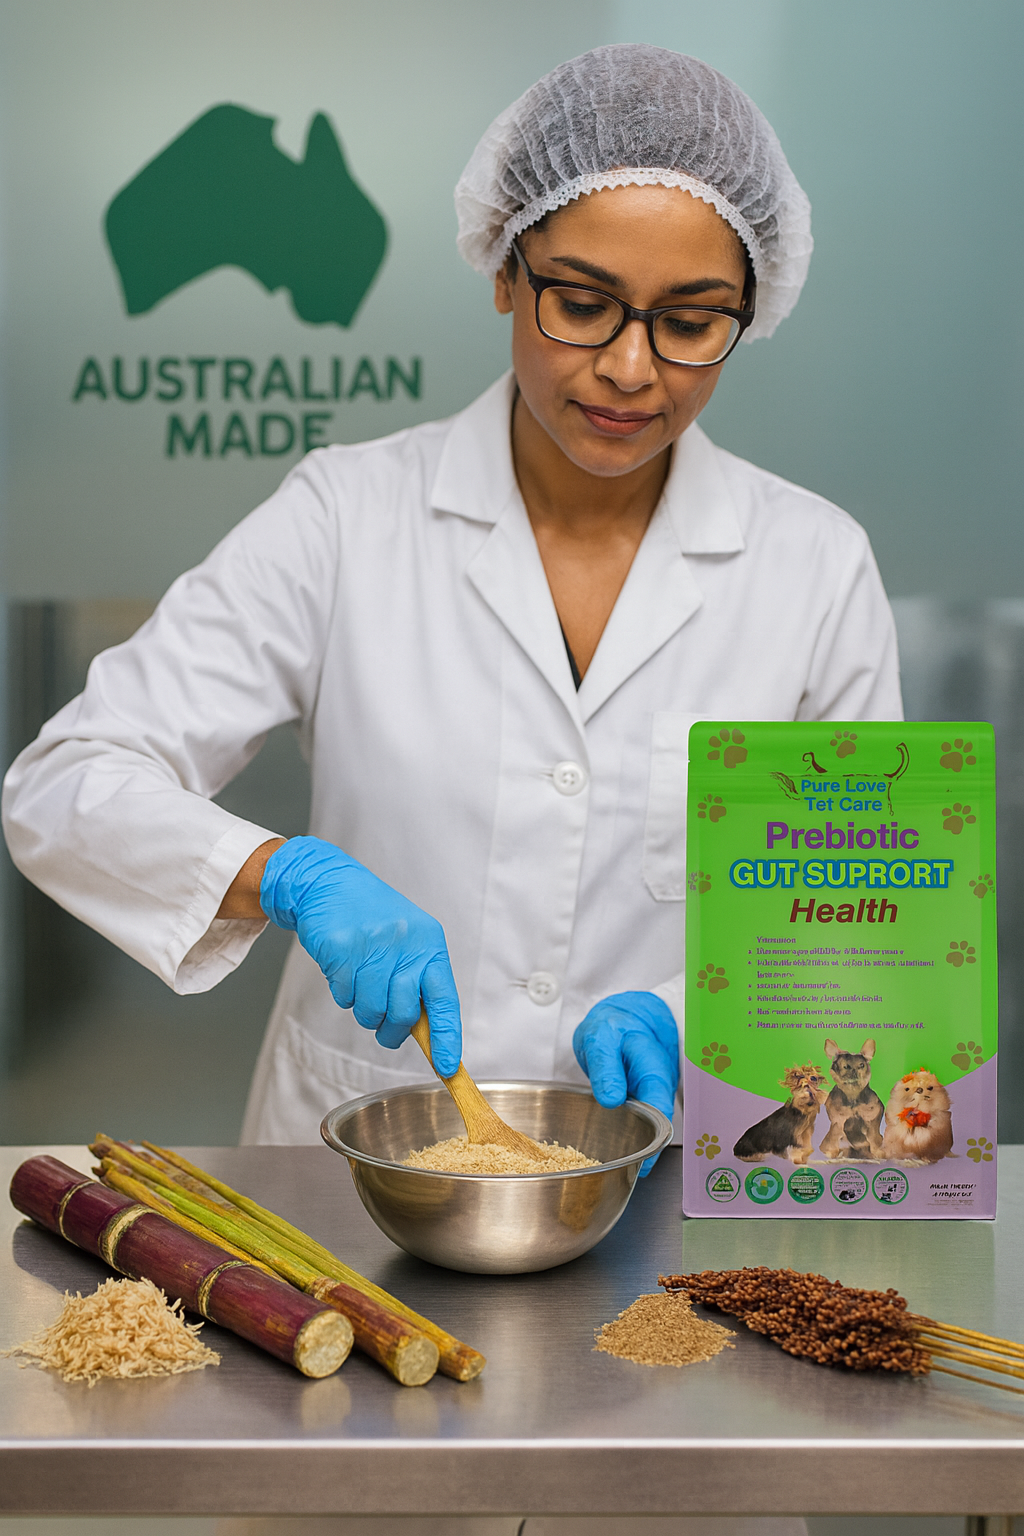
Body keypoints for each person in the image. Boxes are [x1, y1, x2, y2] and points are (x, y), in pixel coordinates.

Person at [2, 44, 900, 1159]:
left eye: (690, 320)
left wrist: (703, 1012)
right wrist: (283, 876)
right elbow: (68, 781)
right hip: (352, 1173)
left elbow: (861, 903)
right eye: (581, 302)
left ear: (748, 314)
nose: (630, 368)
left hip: (660, 1174)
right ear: (501, 272)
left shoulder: (812, 565)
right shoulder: (346, 514)